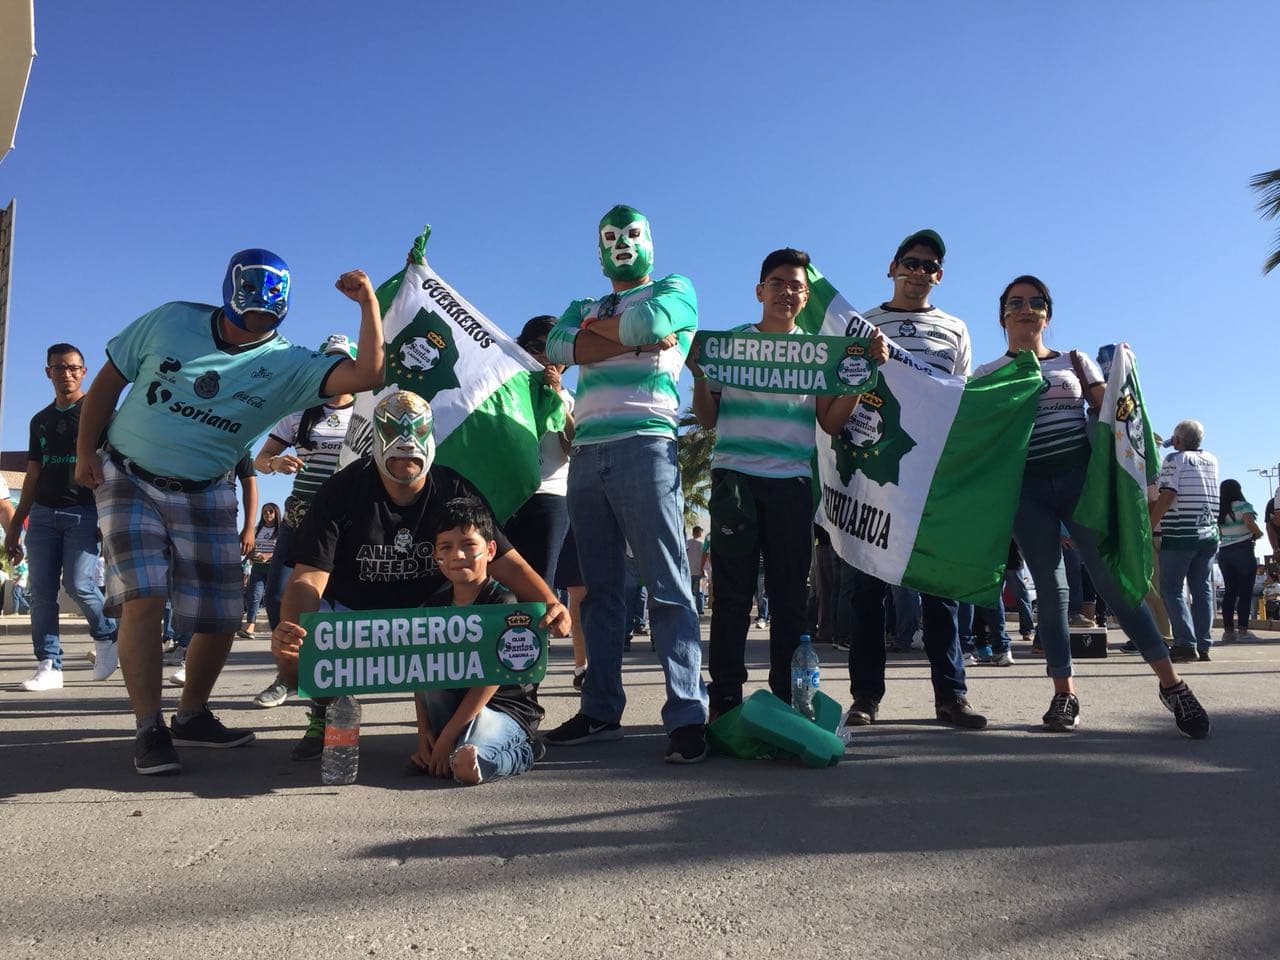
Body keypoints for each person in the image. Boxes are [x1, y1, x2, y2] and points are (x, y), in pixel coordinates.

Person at [75, 249, 387, 775]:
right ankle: (149, 727)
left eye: (267, 318)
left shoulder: (289, 364)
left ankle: (192, 714)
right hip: (129, 475)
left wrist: (369, 305)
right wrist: (86, 451)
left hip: (208, 488)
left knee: (221, 613)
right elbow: (107, 381)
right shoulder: (171, 320)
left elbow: (367, 373)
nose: (255, 327)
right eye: (247, 317)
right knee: (145, 595)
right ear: (228, 299)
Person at [270, 390, 569, 761]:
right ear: (376, 441)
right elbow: (308, 577)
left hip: (432, 617)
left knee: (496, 621)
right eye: (393, 442)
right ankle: (327, 708)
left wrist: (552, 603)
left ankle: (463, 721)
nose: (404, 448)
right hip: (357, 616)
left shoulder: (452, 487)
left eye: (413, 441)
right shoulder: (341, 489)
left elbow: (505, 560)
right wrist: (294, 631)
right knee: (293, 650)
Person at [973, 275, 1209, 737]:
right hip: (1027, 491)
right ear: (1002, 315)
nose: (1027, 308)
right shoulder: (987, 375)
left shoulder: (1074, 361)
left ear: (1048, 314)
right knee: (1050, 589)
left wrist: (1124, 373)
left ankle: (1172, 684)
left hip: (1082, 484)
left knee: (1115, 584)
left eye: (1037, 302)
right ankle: (1064, 693)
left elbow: (1112, 418)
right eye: (1016, 302)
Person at [687, 246, 887, 717]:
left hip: (793, 485)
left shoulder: (817, 352)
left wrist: (863, 378)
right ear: (760, 290)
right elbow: (707, 418)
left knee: (789, 596)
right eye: (777, 283)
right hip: (735, 480)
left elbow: (831, 422)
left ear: (805, 295)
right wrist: (698, 375)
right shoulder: (730, 343)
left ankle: (787, 698)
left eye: (797, 285)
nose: (787, 292)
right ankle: (727, 700)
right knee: (733, 596)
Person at [542, 203, 709, 763]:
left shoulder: (676, 286)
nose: (621, 244)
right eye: (611, 237)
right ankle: (599, 711)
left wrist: (604, 336)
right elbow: (558, 347)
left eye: (631, 234)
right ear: (597, 248)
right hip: (586, 453)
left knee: (668, 585)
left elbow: (651, 325)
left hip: (648, 445)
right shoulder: (581, 305)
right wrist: (626, 338)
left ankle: (688, 714)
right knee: (599, 592)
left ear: (649, 240)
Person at [824, 229, 986, 730]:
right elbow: (838, 383)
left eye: (930, 266)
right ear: (892, 266)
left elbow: (959, 399)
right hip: (872, 473)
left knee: (941, 591)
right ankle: (866, 698)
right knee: (866, 591)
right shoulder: (863, 323)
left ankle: (951, 697)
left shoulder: (955, 328)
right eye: (912, 262)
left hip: (931, 478)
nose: (920, 272)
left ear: (939, 276)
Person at [251, 333, 361, 708]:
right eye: (329, 362)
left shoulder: (367, 410)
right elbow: (260, 459)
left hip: (348, 519)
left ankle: (329, 684)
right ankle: (287, 676)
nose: (337, 370)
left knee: (332, 600)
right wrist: (276, 463)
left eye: (344, 363)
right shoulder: (298, 412)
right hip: (301, 514)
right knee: (280, 595)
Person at [410, 497, 544, 785]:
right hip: (454, 708)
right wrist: (424, 735)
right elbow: (419, 674)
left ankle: (526, 750)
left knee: (466, 767)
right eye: (446, 546)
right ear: (436, 556)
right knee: (430, 669)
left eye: (469, 545)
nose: (457, 555)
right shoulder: (432, 607)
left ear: (491, 549)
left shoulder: (503, 602)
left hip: (505, 708)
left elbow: (491, 678)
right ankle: (454, 745)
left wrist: (446, 738)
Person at [8, 343, 119, 690]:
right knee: (41, 592)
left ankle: (107, 637)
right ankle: (49, 663)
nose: (66, 374)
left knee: (79, 583)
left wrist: (108, 518)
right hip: (42, 514)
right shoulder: (40, 420)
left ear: (84, 371)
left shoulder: (101, 415)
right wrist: (16, 525)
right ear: (48, 373)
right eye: (58, 368)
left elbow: (115, 468)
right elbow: (32, 473)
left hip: (84, 512)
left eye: (73, 368)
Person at [502, 316, 575, 591]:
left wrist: (556, 398)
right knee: (501, 583)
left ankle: (535, 635)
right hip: (507, 496)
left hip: (549, 496)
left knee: (539, 584)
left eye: (554, 349)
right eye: (535, 347)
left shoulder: (570, 399)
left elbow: (574, 447)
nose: (545, 356)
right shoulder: (504, 393)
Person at [1151, 420, 1220, 663]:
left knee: (1171, 589)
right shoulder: (1212, 460)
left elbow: (1168, 493)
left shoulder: (1173, 460)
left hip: (1181, 533)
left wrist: (1151, 524)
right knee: (1202, 589)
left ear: (1178, 440)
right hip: (1208, 533)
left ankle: (1184, 642)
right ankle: (1204, 643)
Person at [1216, 479, 1262, 642]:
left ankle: (1228, 632)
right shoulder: (1243, 505)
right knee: (1245, 593)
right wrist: (1258, 533)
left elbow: (1219, 533)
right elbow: (1249, 522)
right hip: (1243, 549)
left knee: (1230, 592)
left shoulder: (1219, 509)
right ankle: (1243, 631)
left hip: (1224, 552)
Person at [240, 502, 280, 640]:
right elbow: (252, 549)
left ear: (276, 513)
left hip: (274, 568)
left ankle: (278, 628)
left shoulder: (281, 531)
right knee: (254, 596)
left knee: (273, 598)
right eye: (264, 512)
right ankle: (250, 627)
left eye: (270, 511)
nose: (267, 514)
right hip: (257, 568)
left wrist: (268, 555)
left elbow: (282, 550)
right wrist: (243, 561)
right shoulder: (257, 530)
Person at [685, 526, 706, 616]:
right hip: (701, 572)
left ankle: (689, 608)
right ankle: (700, 610)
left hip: (689, 572)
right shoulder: (703, 543)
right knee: (700, 592)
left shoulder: (687, 543)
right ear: (700, 533)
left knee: (689, 591)